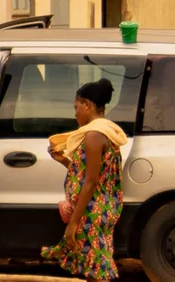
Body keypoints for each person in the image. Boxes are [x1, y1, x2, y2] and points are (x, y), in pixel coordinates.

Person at [43, 79, 126, 282]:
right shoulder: (107, 132)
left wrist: (73, 223)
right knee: (92, 267)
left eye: (76, 107)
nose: (75, 114)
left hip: (92, 212)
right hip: (101, 209)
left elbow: (91, 182)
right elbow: (92, 173)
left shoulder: (93, 136)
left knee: (96, 271)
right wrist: (63, 160)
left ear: (87, 104)